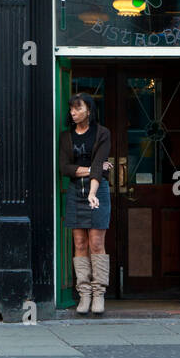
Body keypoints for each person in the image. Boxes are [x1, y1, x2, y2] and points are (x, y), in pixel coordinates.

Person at [59, 94, 113, 314]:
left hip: (97, 190)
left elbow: (99, 165)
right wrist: (93, 169)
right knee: (79, 243)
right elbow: (65, 168)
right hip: (74, 190)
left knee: (96, 243)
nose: (73, 112)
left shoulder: (102, 133)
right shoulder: (66, 137)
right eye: (71, 109)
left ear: (88, 110)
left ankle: (99, 293)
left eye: (77, 108)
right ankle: (84, 295)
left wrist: (92, 192)